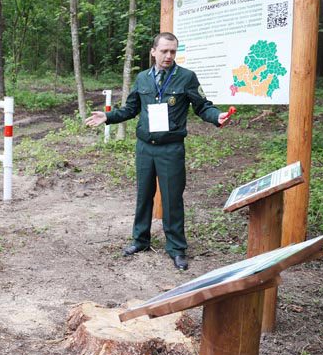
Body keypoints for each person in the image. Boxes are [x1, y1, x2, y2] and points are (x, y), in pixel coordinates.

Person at [84, 32, 231, 271]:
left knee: (172, 199)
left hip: (171, 149)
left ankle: (176, 248)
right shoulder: (142, 78)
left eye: (173, 51)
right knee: (144, 195)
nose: (168, 56)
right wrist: (108, 116)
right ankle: (140, 240)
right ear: (153, 51)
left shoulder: (186, 77)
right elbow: (131, 109)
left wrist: (217, 117)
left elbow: (203, 106)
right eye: (164, 51)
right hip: (145, 148)